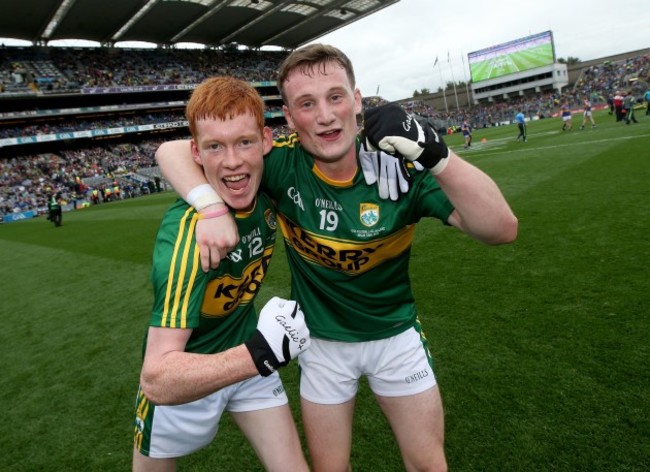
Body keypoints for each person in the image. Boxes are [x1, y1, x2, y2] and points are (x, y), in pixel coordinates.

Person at [156, 43, 518, 472]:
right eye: (307, 104)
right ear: (288, 119)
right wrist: (211, 206)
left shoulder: (400, 168)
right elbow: (175, 150)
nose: (325, 115)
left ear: (357, 101)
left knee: (428, 465)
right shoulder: (279, 164)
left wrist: (433, 152)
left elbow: (501, 228)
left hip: (396, 336)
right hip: (321, 344)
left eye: (335, 97)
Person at [132, 76, 311, 472]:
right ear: (198, 152)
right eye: (215, 147)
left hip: (246, 349)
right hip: (189, 374)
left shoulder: (268, 184)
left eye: (244, 142)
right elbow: (157, 378)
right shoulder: (185, 239)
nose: (232, 161)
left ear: (266, 140)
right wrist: (260, 353)